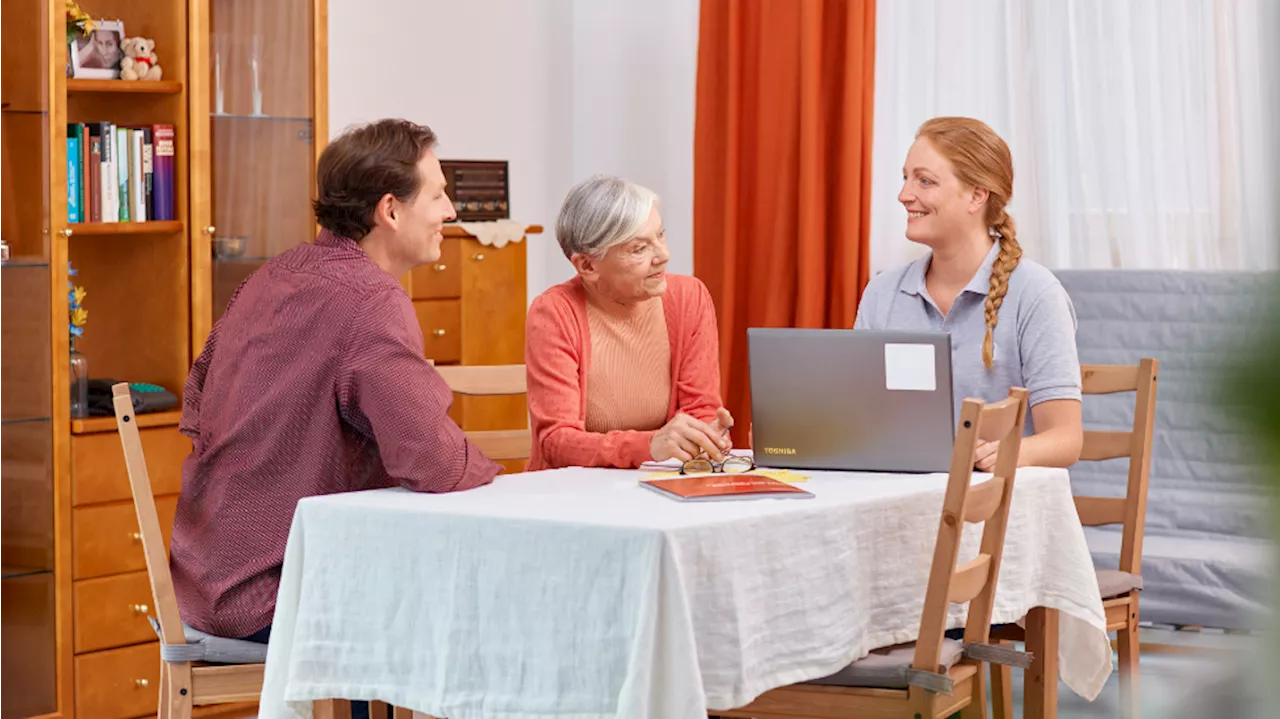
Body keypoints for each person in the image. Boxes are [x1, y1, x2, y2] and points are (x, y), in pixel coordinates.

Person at [170, 119, 501, 668]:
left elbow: (198, 397)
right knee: (472, 609)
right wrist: (491, 469)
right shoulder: (371, 300)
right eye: (440, 195)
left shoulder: (271, 275)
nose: (450, 213)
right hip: (271, 598)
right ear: (390, 211)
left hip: (204, 582)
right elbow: (434, 462)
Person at [855, 117, 1083, 470]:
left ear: (977, 195)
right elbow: (860, 419)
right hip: (900, 502)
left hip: (993, 513)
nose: (904, 195)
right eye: (905, 178)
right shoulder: (882, 292)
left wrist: (1005, 453)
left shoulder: (1036, 294)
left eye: (925, 181)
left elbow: (1066, 440)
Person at [525, 175, 734, 471]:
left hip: (659, 486)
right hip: (572, 495)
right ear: (587, 265)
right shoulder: (555, 312)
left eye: (660, 236)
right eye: (639, 249)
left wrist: (704, 436)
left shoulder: (690, 298)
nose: (664, 255)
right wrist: (649, 446)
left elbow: (700, 409)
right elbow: (556, 442)